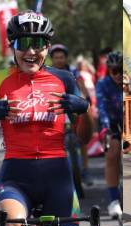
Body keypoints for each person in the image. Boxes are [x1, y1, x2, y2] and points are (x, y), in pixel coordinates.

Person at [0, 11, 90, 226]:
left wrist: (85, 111)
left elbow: (85, 138)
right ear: (12, 45)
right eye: (23, 43)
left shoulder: (64, 79)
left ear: (47, 46)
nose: (31, 52)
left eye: (38, 43)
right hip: (16, 178)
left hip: (58, 177)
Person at [49, 44, 94, 187]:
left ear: (66, 58)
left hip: (73, 106)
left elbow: (82, 88)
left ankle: (85, 170)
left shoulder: (74, 72)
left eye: (61, 57)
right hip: (56, 109)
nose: (59, 60)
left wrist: (86, 100)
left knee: (82, 139)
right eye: (56, 58)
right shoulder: (48, 73)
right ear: (52, 59)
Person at [96, 51, 123, 218]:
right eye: (114, 71)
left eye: (121, 70)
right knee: (112, 155)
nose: (119, 74)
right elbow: (102, 107)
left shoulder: (128, 82)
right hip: (111, 123)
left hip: (129, 122)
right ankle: (113, 200)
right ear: (109, 71)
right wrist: (106, 127)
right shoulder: (103, 84)